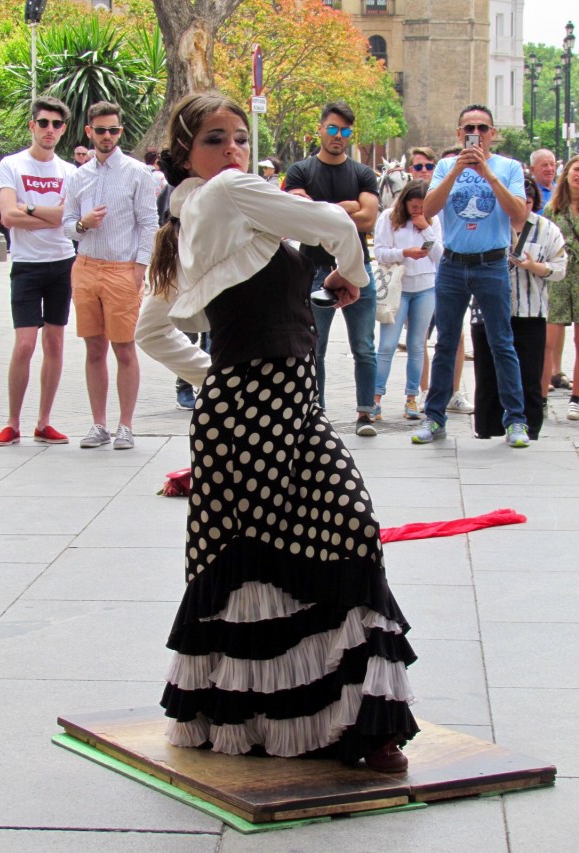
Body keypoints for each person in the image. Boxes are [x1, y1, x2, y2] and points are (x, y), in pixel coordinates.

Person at [146, 92, 418, 771]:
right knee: (308, 540)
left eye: (240, 137)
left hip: (271, 406)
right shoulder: (230, 193)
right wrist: (352, 275)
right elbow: (337, 223)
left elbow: (152, 329)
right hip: (260, 409)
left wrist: (215, 377)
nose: (233, 151)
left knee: (281, 549)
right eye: (215, 139)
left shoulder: (195, 214)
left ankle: (312, 719)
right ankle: (341, 723)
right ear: (186, 153)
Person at [413, 104, 530, 448]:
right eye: (468, 128)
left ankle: (516, 420)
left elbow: (518, 215)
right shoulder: (445, 166)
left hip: (492, 264)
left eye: (481, 127)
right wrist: (457, 170)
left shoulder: (509, 168)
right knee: (446, 343)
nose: (475, 133)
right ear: (458, 133)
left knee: (501, 342)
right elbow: (429, 209)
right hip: (453, 264)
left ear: (493, 133)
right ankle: (435, 417)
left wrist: (487, 173)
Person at [63, 100, 158, 450]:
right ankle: (98, 424)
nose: (107, 136)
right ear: (89, 131)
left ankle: (125, 425)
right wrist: (82, 223)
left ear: (120, 131)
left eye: (113, 130)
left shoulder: (136, 172)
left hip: (122, 268)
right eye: (101, 130)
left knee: (124, 347)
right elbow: (66, 225)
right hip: (86, 266)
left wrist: (139, 268)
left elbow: (149, 223)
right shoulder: (78, 176)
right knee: (93, 348)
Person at [284, 101, 379, 436]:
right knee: (315, 347)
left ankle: (366, 413)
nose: (339, 136)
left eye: (346, 131)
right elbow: (301, 217)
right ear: (320, 129)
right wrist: (347, 207)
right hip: (313, 270)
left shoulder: (363, 173)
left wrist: (324, 211)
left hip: (356, 268)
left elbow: (369, 218)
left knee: (364, 347)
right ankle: (317, 414)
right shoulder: (300, 171)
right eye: (334, 128)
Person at [0, 96, 76, 447]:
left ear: (63, 129)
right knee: (25, 344)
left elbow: (67, 218)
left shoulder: (70, 172)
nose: (49, 130)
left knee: (54, 342)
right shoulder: (11, 165)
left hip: (62, 263)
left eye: (56, 124)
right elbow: (8, 217)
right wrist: (47, 215)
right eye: (43, 123)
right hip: (26, 265)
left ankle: (43, 422)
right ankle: (12, 422)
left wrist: (28, 210)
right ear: (32, 125)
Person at [471, 177, 567, 439]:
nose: (521, 206)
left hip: (529, 311)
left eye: (527, 201)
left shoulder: (547, 229)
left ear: (533, 203)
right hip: (488, 310)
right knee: (487, 373)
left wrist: (534, 266)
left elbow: (560, 268)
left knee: (529, 374)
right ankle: (487, 428)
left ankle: (529, 428)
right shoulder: (487, 224)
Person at [412, 146, 474, 416]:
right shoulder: (409, 203)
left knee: (454, 335)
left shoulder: (455, 198)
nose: (424, 171)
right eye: (419, 167)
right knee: (420, 337)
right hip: (420, 279)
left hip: (450, 274)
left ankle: (455, 393)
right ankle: (425, 391)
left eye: (429, 166)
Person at [373, 180, 442, 419]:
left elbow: (440, 256)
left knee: (417, 345)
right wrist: (404, 253)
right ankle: (374, 398)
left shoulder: (432, 220)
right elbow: (379, 252)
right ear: (405, 202)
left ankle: (412, 397)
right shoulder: (389, 217)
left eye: (422, 207)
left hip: (425, 287)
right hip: (397, 287)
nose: (418, 212)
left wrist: (426, 228)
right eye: (414, 207)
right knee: (387, 345)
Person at [543, 154, 579, 421]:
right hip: (558, 279)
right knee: (548, 341)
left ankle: (576, 399)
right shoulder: (552, 210)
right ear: (565, 174)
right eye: (575, 170)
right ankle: (541, 396)